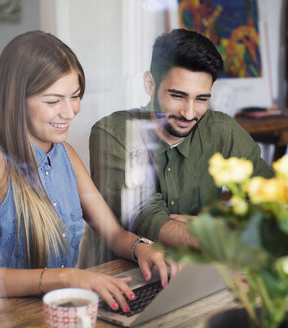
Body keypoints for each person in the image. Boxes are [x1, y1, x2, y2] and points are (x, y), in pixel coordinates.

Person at [0, 30, 177, 313]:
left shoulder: (66, 155)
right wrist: (68, 277)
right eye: (53, 101)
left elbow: (114, 234)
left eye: (75, 96)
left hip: (58, 311)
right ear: (16, 100)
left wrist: (143, 247)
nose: (71, 112)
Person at [83, 28, 274, 267]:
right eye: (178, 96)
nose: (189, 112)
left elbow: (272, 199)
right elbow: (146, 216)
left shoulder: (222, 130)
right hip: (126, 276)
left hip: (201, 270)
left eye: (202, 99)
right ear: (150, 83)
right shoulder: (113, 133)